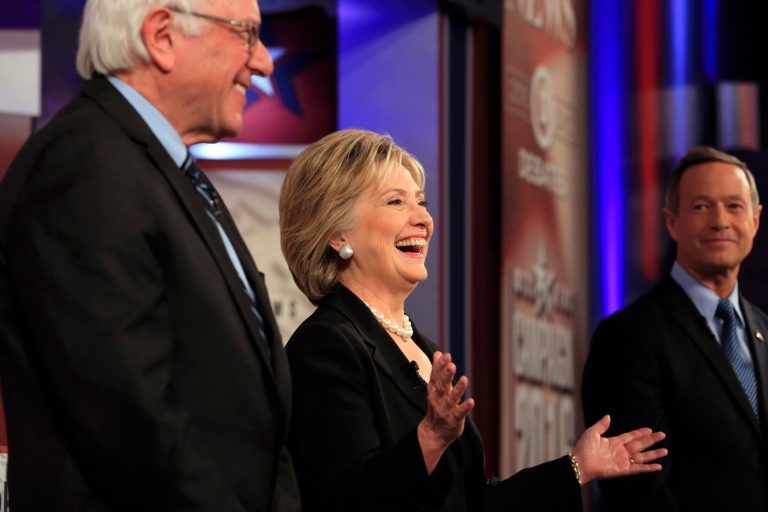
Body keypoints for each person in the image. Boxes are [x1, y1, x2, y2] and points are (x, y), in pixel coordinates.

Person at [0, 1, 300, 510]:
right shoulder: (84, 165)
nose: (265, 62)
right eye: (246, 34)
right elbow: (130, 419)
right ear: (162, 35)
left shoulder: (154, 168)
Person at [278, 128, 667, 511]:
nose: (424, 220)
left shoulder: (424, 349)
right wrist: (430, 438)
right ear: (336, 233)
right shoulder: (325, 346)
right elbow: (347, 499)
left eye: (422, 202)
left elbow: (470, 502)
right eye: (396, 202)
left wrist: (577, 467)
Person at [582, 146, 768, 511]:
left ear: (756, 220)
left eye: (734, 206)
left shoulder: (764, 331)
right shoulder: (628, 336)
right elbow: (638, 490)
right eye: (701, 207)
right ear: (671, 221)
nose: (720, 221)